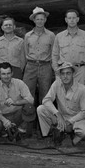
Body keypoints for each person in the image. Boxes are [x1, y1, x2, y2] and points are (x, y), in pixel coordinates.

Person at [37, 62, 85, 147]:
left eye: (68, 73)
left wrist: (70, 121)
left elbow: (84, 112)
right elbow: (46, 100)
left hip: (76, 119)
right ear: (60, 76)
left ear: (73, 74)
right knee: (41, 109)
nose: (65, 76)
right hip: (61, 117)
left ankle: (73, 137)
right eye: (63, 74)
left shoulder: (82, 89)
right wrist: (57, 114)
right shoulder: (57, 84)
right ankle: (49, 135)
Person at [22, 7, 56, 136]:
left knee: (45, 95)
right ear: (34, 20)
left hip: (45, 66)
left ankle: (45, 127)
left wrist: (53, 70)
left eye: (42, 19)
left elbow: (53, 53)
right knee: (27, 95)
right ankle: (28, 124)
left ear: (45, 20)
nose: (40, 21)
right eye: (37, 19)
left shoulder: (51, 35)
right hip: (30, 65)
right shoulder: (27, 36)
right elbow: (25, 53)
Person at [51, 9, 85, 91]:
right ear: (66, 20)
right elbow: (54, 55)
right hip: (64, 71)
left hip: (81, 71)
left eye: (74, 18)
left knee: (81, 95)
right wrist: (57, 72)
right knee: (63, 97)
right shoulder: (59, 36)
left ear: (78, 19)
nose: (72, 20)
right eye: (69, 18)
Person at [0, 62, 35, 141]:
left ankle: (20, 131)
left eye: (8, 73)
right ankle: (6, 133)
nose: (6, 76)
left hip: (18, 114)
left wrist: (15, 102)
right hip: (4, 116)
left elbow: (31, 99)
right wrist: (5, 121)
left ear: (12, 73)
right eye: (3, 74)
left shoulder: (19, 83)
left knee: (29, 107)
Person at [0, 17, 26, 84]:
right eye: (6, 25)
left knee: (15, 92)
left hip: (15, 70)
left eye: (10, 25)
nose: (8, 26)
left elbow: (23, 59)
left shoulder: (21, 41)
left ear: (14, 27)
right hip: (0, 70)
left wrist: (19, 70)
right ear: (2, 27)